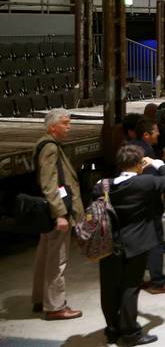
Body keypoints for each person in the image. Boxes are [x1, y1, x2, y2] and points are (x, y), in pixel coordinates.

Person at [98, 145, 165, 346]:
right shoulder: (145, 182)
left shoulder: (102, 185)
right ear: (139, 164)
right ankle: (131, 332)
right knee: (130, 288)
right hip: (137, 244)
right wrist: (158, 163)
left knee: (109, 289)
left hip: (108, 245)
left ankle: (112, 330)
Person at [31, 108, 84, 320]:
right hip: (57, 212)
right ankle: (55, 306)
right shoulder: (50, 148)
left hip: (51, 211)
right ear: (52, 126)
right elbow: (49, 183)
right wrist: (60, 214)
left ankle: (39, 299)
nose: (68, 127)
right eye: (64, 123)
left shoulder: (48, 144)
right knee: (57, 260)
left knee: (44, 256)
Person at [127, 118, 165, 295]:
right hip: (149, 205)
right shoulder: (146, 152)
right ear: (146, 135)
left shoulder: (128, 147)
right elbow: (154, 182)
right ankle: (158, 281)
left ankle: (138, 278)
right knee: (155, 243)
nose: (159, 134)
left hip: (133, 204)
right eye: (155, 131)